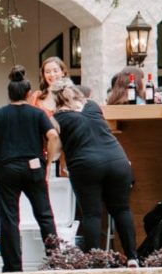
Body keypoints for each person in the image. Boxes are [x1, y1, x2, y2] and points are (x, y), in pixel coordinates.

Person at [0, 67, 59, 273]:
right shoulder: (37, 113)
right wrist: (48, 164)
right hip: (34, 168)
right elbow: (53, 136)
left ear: (9, 93)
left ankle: (13, 267)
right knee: (44, 215)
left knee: (10, 219)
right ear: (27, 93)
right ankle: (56, 260)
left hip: (6, 169)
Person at [52, 82, 138, 264]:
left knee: (92, 214)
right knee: (122, 209)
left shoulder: (59, 117)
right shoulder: (93, 106)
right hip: (117, 160)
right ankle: (132, 257)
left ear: (56, 100)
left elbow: (56, 149)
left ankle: (94, 261)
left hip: (86, 165)